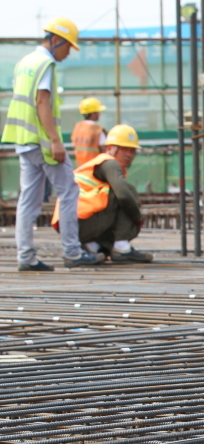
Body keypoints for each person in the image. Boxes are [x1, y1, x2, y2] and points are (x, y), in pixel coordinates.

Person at [1, 18, 104, 271]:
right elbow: (42, 102)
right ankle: (72, 252)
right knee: (69, 191)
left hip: (24, 141)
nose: (68, 53)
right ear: (55, 40)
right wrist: (56, 142)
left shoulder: (25, 62)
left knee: (28, 200)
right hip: (43, 143)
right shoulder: (45, 64)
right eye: (67, 46)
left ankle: (26, 257)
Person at [53, 125, 153, 263]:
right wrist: (137, 219)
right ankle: (121, 247)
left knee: (111, 195)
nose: (129, 154)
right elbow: (123, 195)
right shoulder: (110, 163)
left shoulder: (98, 163)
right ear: (110, 148)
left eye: (132, 150)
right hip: (78, 223)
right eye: (124, 149)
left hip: (72, 225)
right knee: (126, 190)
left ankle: (93, 246)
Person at [72, 97, 107, 166]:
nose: (99, 114)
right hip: (95, 170)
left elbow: (74, 146)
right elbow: (105, 152)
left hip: (80, 168)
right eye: (98, 111)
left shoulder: (77, 127)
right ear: (93, 113)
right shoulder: (98, 130)